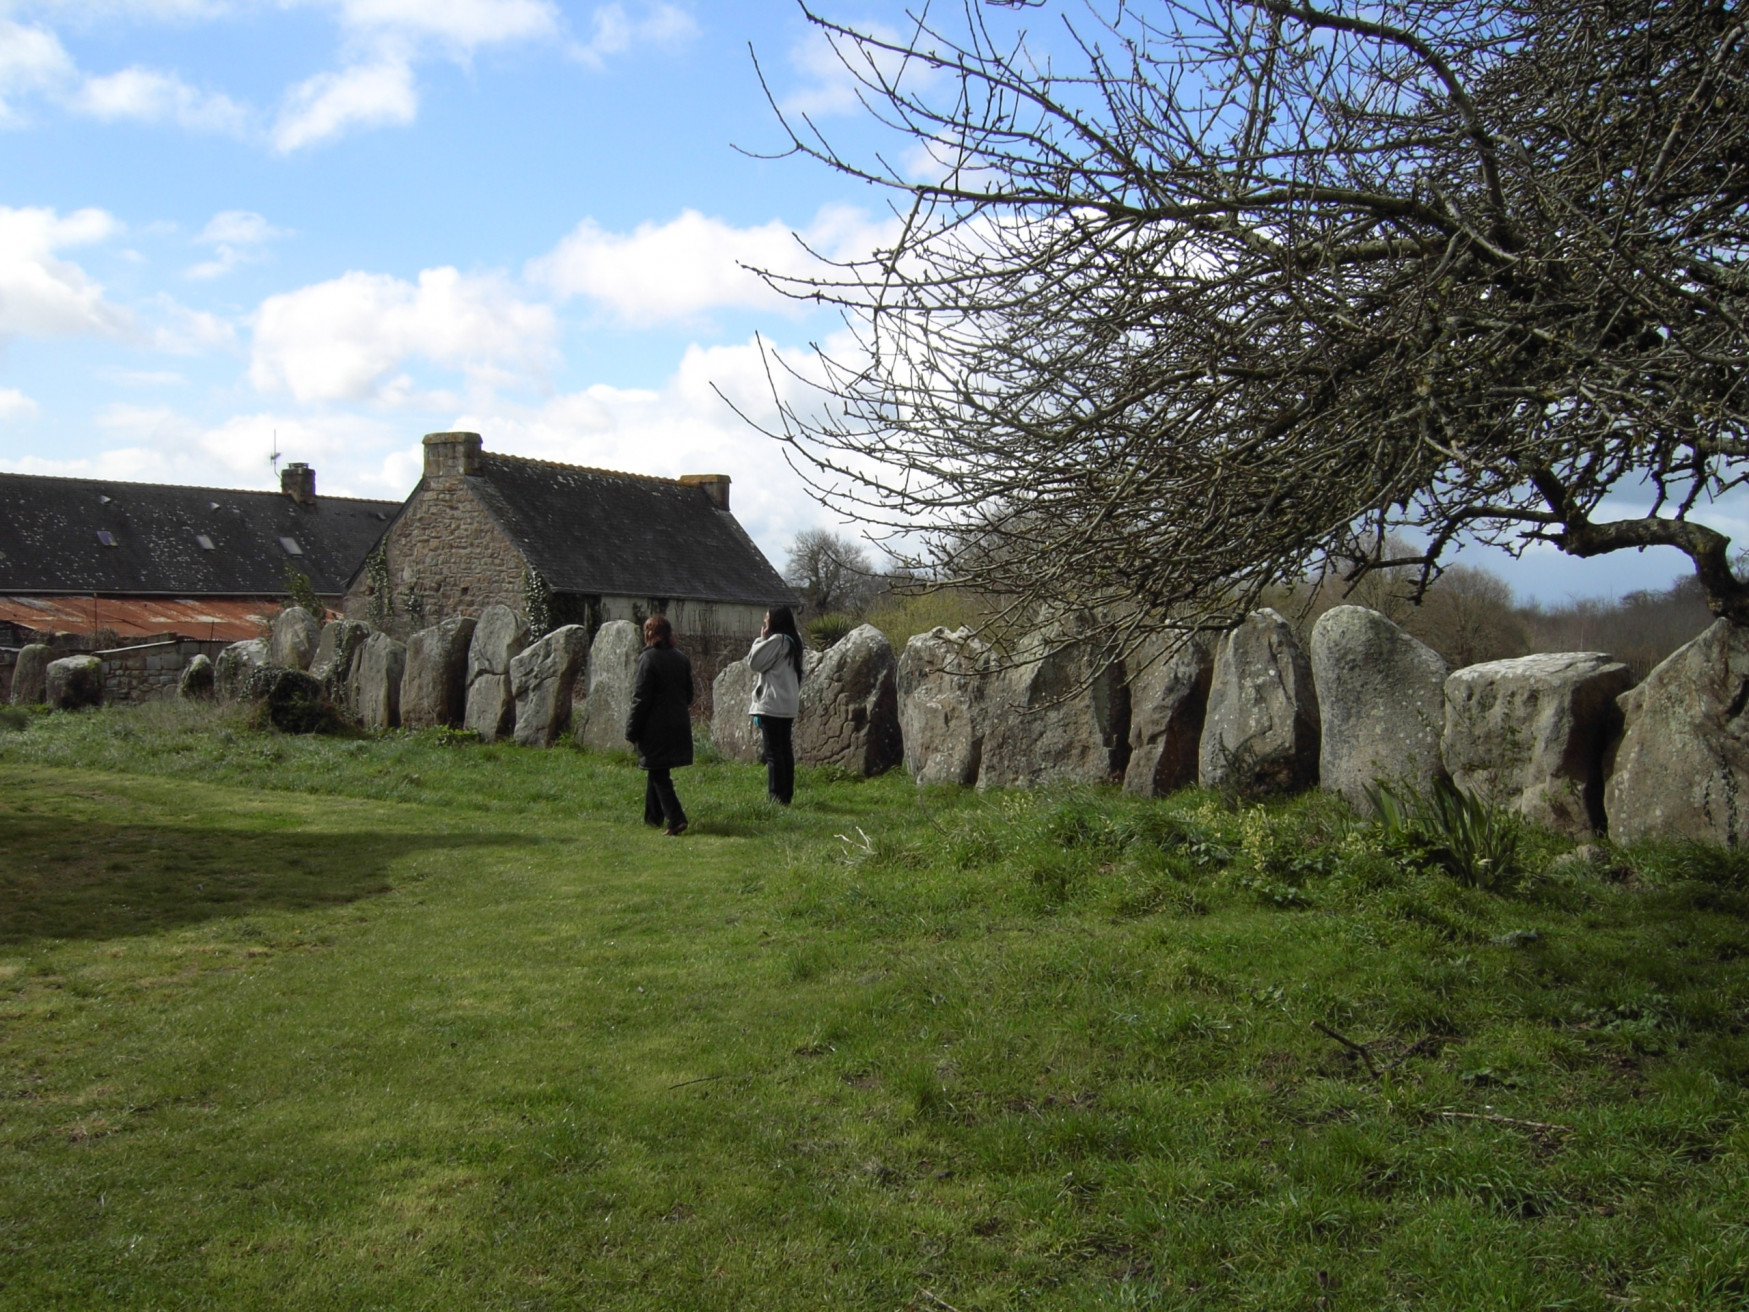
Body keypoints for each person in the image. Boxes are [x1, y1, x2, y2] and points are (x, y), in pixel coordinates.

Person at [625, 614, 694, 836]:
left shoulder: (648, 660)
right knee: (655, 768)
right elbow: (689, 694)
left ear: (648, 634)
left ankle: (676, 818)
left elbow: (641, 698)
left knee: (658, 773)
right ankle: (653, 817)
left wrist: (632, 729)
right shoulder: (682, 659)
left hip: (655, 725)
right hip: (678, 723)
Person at [747, 605, 804, 805]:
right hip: (787, 705)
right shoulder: (795, 642)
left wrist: (761, 639)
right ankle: (786, 794)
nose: (765, 624)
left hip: (772, 704)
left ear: (775, 622)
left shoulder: (778, 641)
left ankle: (776, 797)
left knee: (773, 754)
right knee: (785, 751)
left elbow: (754, 662)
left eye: (767, 620)